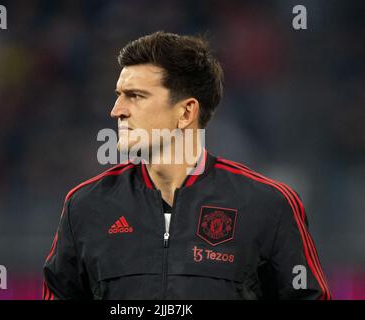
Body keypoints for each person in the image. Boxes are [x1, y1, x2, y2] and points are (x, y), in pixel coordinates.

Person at [42, 31, 331, 300]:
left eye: (135, 96)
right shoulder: (84, 207)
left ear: (186, 112)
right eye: (119, 94)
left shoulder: (269, 206)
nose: (117, 110)